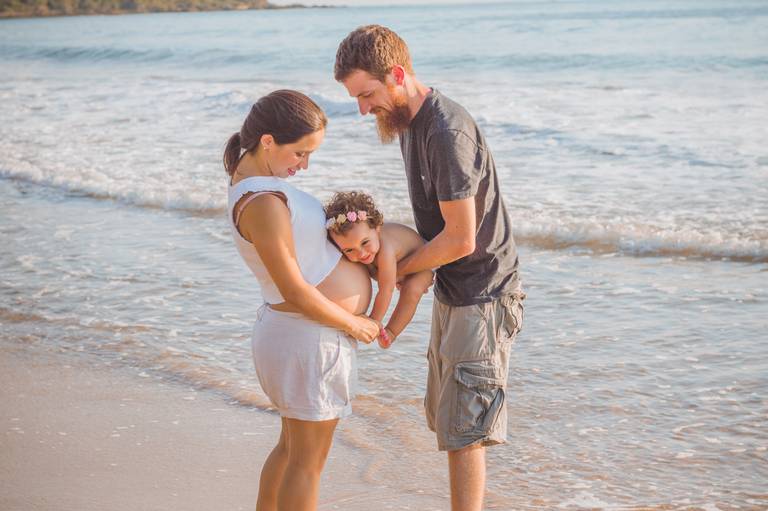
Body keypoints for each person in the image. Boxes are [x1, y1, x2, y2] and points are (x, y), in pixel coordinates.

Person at [335, 26, 526, 511]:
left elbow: (460, 239)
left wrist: (393, 273)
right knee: (449, 422)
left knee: (465, 431)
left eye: (367, 94)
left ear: (397, 75)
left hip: (483, 293)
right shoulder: (408, 122)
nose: (362, 109)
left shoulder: (445, 131)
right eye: (356, 98)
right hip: (453, 289)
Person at [223, 89, 380, 511]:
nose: (304, 165)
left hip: (299, 337)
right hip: (307, 339)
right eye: (300, 153)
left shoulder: (259, 189)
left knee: (292, 452)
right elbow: (293, 288)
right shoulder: (262, 202)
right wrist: (355, 323)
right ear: (268, 141)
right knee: (307, 464)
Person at [323, 190, 433, 348]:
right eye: (349, 250)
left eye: (365, 242)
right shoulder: (365, 249)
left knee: (412, 289)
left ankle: (392, 332)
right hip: (397, 265)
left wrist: (373, 321)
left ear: (377, 228)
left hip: (421, 262)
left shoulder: (385, 250)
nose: (360, 253)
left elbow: (386, 290)